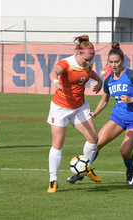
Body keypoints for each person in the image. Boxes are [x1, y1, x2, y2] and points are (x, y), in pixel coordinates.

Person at [69, 41, 133, 185]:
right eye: (111, 62)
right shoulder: (108, 80)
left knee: (124, 151)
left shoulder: (132, 75)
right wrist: (96, 112)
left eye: (117, 62)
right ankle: (82, 171)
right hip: (118, 118)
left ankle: (130, 169)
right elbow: (104, 100)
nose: (114, 65)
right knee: (95, 144)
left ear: (123, 61)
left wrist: (132, 99)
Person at [47, 35, 103, 193]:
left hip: (79, 107)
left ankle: (86, 168)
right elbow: (53, 72)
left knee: (94, 139)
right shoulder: (66, 63)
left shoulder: (88, 64)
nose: (88, 62)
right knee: (58, 144)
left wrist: (99, 81)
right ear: (78, 53)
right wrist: (56, 81)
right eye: (86, 59)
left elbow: (89, 72)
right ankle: (53, 180)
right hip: (61, 107)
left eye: (90, 59)